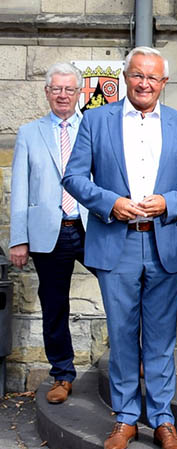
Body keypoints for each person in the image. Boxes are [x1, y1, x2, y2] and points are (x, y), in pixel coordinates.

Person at [63, 46, 177, 449]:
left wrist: (169, 202)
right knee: (124, 334)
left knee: (162, 338)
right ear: (126, 77)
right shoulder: (96, 120)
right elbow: (74, 177)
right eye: (137, 75)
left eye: (153, 78)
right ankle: (126, 418)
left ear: (164, 83)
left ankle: (163, 418)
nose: (144, 83)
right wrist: (109, 202)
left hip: (164, 240)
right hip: (117, 241)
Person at [9, 62, 90, 404]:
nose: (62, 95)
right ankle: (62, 373)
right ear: (46, 92)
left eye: (69, 89)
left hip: (92, 227)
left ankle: (130, 362)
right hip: (49, 233)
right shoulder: (30, 133)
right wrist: (18, 238)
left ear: (79, 92)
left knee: (123, 293)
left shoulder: (95, 128)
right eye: (56, 89)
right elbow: (20, 189)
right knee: (54, 304)